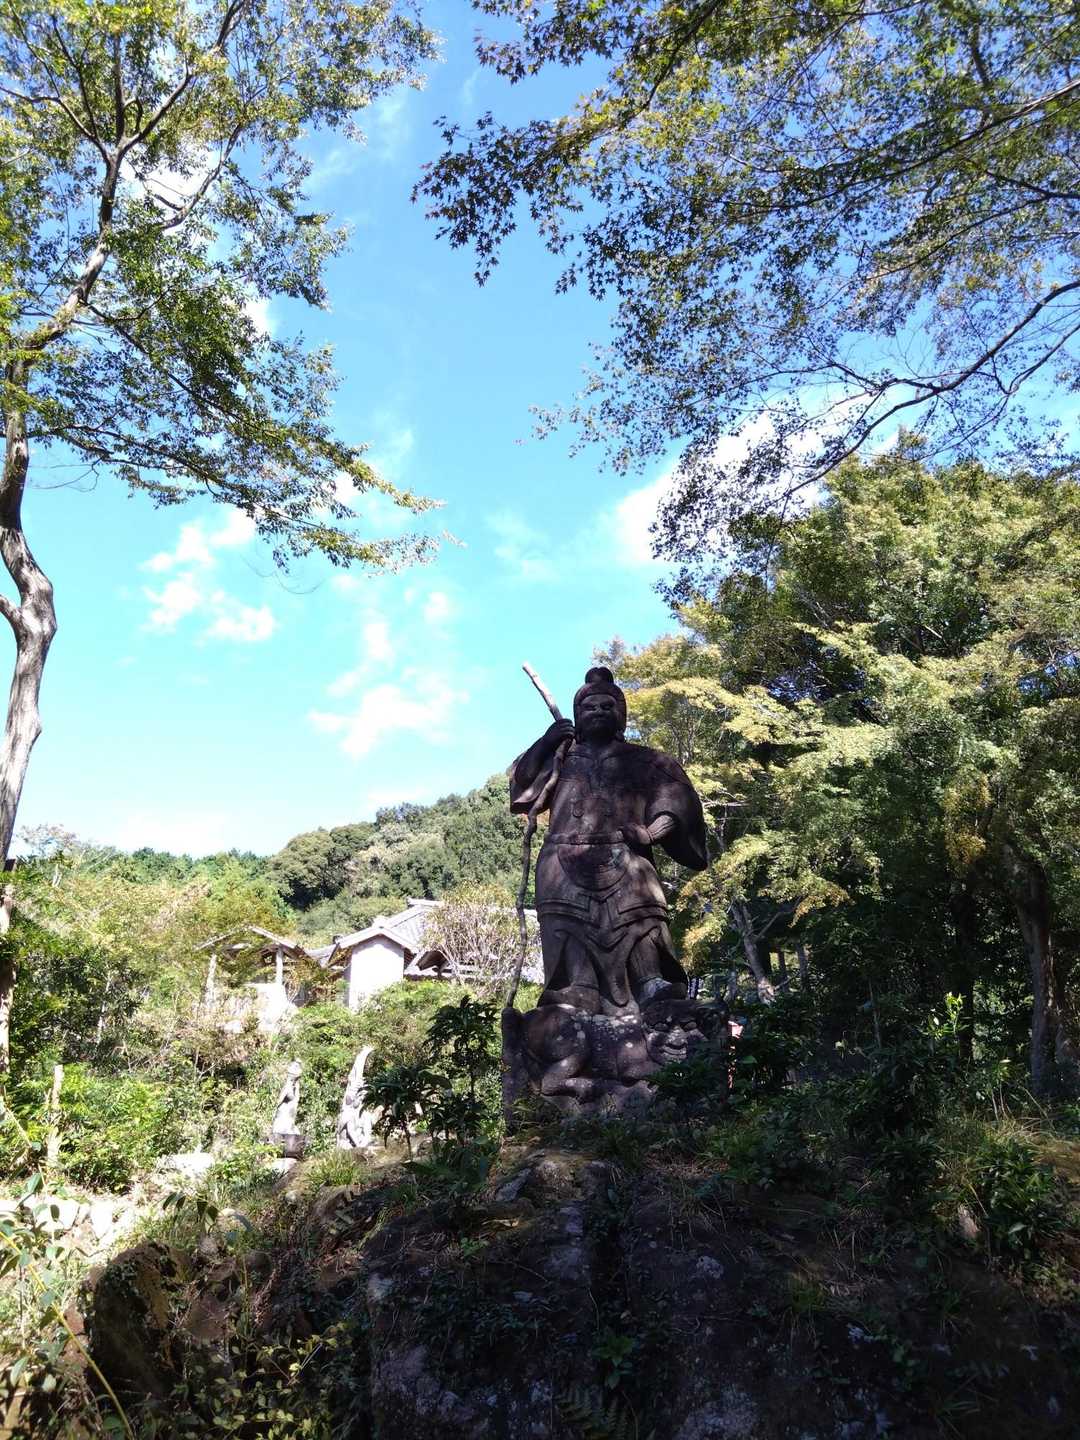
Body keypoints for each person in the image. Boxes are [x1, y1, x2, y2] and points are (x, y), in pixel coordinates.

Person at [510, 666, 707, 1016]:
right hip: (563, 858)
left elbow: (678, 801)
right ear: (577, 716)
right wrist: (547, 742)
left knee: (641, 916)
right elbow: (522, 785)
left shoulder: (645, 760)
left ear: (621, 715)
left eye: (606, 706)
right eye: (589, 708)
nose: (598, 712)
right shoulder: (561, 757)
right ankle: (576, 987)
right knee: (568, 925)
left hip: (627, 855)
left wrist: (651, 832)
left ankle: (651, 981)